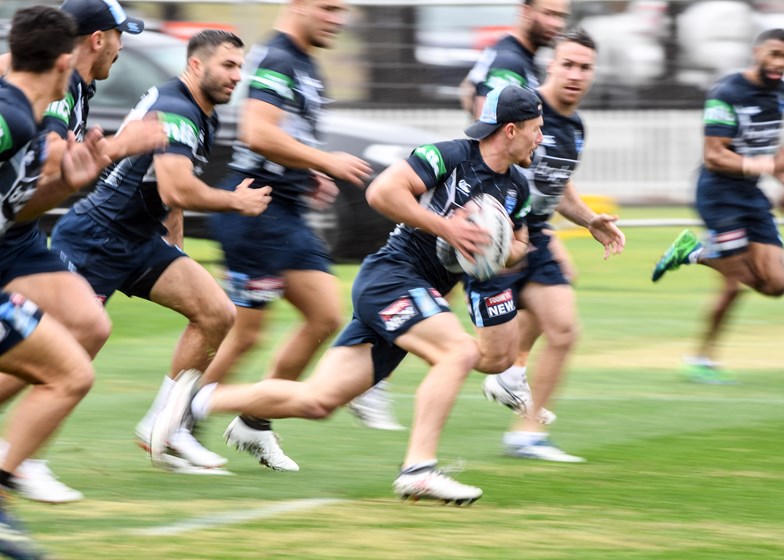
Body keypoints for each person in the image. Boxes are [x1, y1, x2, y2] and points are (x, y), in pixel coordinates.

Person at [151, 84, 542, 503]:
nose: (541, 138)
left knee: (318, 400)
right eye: (537, 129)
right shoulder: (450, 155)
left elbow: (518, 246)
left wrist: (494, 248)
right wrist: (450, 228)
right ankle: (419, 470)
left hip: (416, 291)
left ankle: (189, 403)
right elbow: (382, 192)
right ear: (511, 130)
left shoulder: (517, 186)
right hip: (392, 276)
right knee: (458, 353)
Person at [49, 29, 272, 474]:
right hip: (95, 239)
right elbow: (177, 187)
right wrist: (235, 201)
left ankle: (165, 427)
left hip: (138, 241)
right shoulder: (179, 111)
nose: (236, 76)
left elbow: (166, 197)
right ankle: (22, 456)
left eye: (240, 67)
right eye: (227, 66)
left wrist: (178, 257)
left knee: (216, 312)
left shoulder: (198, 111)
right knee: (58, 358)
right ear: (196, 66)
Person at [195, 0, 385, 472]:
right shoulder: (279, 58)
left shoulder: (304, 62)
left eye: (343, 10)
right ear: (296, 5)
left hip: (285, 209)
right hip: (256, 210)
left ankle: (253, 423)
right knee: (244, 335)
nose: (338, 19)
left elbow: (286, 135)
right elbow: (259, 133)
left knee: (324, 315)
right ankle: (174, 420)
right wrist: (325, 162)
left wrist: (306, 172)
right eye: (328, 7)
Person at [0, 0, 168, 504]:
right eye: (120, 35)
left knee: (87, 331)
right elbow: (47, 159)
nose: (122, 46)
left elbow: (31, 190)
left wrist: (82, 172)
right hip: (13, 238)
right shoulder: (39, 100)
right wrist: (116, 148)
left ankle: (18, 457)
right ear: (96, 40)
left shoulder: (68, 90)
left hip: (19, 233)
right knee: (67, 368)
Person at [464, 28, 623, 462]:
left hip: (537, 236)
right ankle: (389, 345)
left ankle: (526, 433)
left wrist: (590, 220)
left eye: (585, 67)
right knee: (476, 352)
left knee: (565, 330)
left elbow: (558, 185)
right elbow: (477, 155)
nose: (575, 74)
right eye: (567, 64)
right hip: (497, 238)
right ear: (551, 65)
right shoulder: (522, 107)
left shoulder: (575, 127)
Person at [0, 5, 114, 557]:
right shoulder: (12, 115)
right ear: (67, 60)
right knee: (67, 373)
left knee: (69, 364)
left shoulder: (35, 115)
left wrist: (68, 182)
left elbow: (15, 206)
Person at [651, 29, 784, 383]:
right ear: (757, 51)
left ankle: (694, 253)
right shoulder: (726, 93)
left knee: (776, 284)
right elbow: (714, 156)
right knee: (734, 285)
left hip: (750, 194)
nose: (779, 63)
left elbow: (775, 139)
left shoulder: (780, 92)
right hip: (718, 194)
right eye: (774, 54)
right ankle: (700, 358)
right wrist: (767, 168)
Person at [460, 0, 570, 116]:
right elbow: (488, 122)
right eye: (548, 14)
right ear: (526, 11)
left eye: (561, 16)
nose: (556, 24)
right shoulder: (509, 62)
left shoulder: (517, 53)